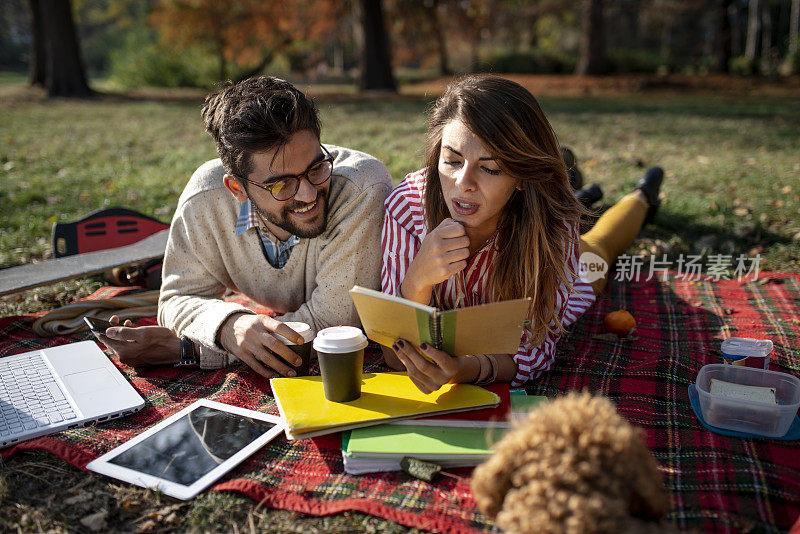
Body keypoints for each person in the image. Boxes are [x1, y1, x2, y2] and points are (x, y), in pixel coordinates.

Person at [382, 75, 663, 393]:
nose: (463, 183)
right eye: (452, 161)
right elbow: (393, 354)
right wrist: (417, 282)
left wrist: (466, 369)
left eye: (490, 168)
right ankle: (580, 188)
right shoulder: (407, 208)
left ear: (521, 176)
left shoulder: (552, 230)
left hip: (553, 239)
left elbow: (536, 350)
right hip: (522, 203)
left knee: (600, 249)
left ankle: (642, 196)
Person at [98, 76, 393, 379]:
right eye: (281, 184)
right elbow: (175, 299)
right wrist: (229, 326)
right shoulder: (206, 197)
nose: (308, 194)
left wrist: (193, 349)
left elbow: (333, 323)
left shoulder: (362, 188)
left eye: (316, 168)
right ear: (236, 188)